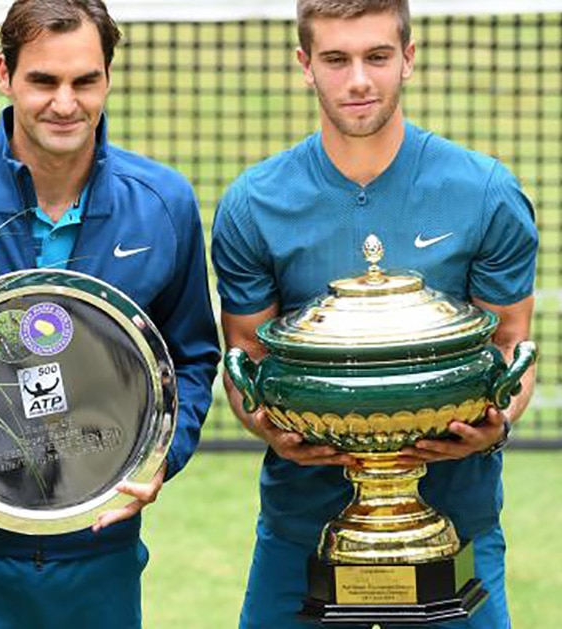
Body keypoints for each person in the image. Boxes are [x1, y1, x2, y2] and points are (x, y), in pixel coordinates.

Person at [0, 0, 220, 626]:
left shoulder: (165, 203)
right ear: (5, 74)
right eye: (43, 80)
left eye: (85, 80)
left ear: (108, 76)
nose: (65, 103)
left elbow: (190, 355)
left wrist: (163, 453)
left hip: (100, 553)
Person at [211, 1, 538, 627]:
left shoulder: (486, 192)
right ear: (306, 66)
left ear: (408, 59)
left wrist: (499, 419)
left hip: (455, 528)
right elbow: (245, 360)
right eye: (336, 59)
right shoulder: (254, 204)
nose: (358, 80)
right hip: (301, 532)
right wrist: (267, 426)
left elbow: (512, 347)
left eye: (377, 56)